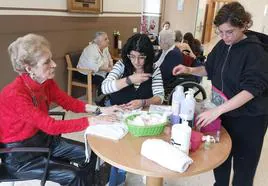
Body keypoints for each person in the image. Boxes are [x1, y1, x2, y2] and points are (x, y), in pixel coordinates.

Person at [0, 33, 121, 186]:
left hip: (44, 140)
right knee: (74, 175)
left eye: (51, 58)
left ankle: (92, 182)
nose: (54, 64)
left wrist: (100, 110)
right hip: (21, 156)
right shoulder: (15, 94)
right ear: (29, 68)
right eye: (46, 62)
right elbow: (50, 126)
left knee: (92, 153)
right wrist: (93, 121)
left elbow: (68, 102)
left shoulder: (45, 82)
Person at [173, 2, 268, 186]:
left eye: (230, 32)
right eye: (221, 32)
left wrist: (216, 111)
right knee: (221, 158)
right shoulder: (223, 45)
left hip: (250, 118)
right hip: (226, 112)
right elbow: (210, 69)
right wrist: (188, 69)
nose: (224, 37)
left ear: (244, 25)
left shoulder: (255, 52)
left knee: (243, 167)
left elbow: (251, 90)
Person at [101, 33, 165, 186]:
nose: (137, 62)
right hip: (118, 116)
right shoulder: (122, 65)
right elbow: (105, 87)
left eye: (141, 57)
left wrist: (144, 101)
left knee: (141, 149)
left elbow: (160, 96)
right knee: (116, 152)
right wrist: (130, 80)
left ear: (148, 56)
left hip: (140, 119)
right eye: (133, 56)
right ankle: (116, 179)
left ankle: (142, 174)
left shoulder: (154, 69)